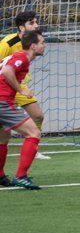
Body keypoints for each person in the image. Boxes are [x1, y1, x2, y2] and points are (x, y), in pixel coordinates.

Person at [0, 30, 47, 190]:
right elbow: (6, 71)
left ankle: (0, 176)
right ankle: (21, 176)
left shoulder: (18, 56)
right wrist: (21, 90)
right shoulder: (22, 57)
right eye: (42, 42)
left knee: (3, 137)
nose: (44, 45)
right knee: (34, 133)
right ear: (33, 46)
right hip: (2, 102)